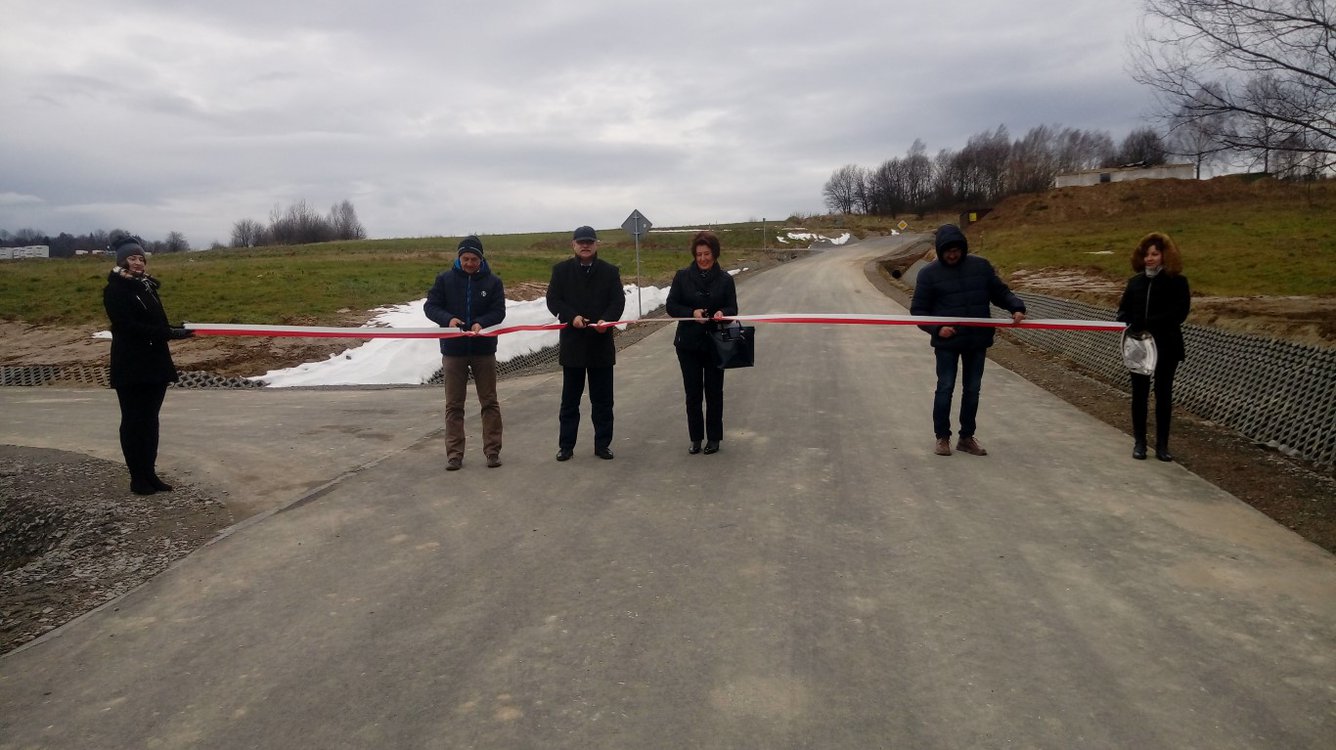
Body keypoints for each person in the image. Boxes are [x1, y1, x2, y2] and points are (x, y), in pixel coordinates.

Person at [910, 224, 1026, 457]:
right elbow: (919, 311)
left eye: (956, 250)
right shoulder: (928, 274)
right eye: (947, 251)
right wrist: (937, 329)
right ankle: (942, 437)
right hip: (947, 343)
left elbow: (1000, 293)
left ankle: (966, 438)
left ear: (963, 248)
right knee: (945, 388)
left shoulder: (980, 267)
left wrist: (1016, 307)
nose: (952, 255)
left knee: (972, 389)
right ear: (940, 251)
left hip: (976, 340)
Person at [102, 234, 193, 495]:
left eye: (141, 258)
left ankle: (150, 473)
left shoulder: (147, 287)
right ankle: (137, 477)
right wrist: (168, 333)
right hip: (131, 364)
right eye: (132, 258)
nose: (138, 262)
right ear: (122, 261)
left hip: (155, 363)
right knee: (134, 420)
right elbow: (127, 327)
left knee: (151, 420)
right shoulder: (115, 290)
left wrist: (177, 329)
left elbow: (156, 324)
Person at [424, 235, 507, 470]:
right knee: (454, 405)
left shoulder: (493, 282)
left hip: (483, 350)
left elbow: (499, 311)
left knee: (489, 402)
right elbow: (430, 306)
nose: (470, 263)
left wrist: (482, 322)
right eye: (466, 259)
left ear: (481, 259)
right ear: (459, 258)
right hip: (454, 351)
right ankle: (454, 455)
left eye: (474, 259)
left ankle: (492, 451)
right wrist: (447, 319)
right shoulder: (444, 280)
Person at [546, 225, 625, 461]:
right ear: (573, 245)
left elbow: (617, 302)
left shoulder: (610, 271)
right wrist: (572, 317)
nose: (585, 245)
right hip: (573, 346)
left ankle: (602, 445)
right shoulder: (561, 271)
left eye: (589, 241)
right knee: (570, 402)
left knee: (603, 401)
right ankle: (566, 446)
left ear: (596, 244)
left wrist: (606, 320)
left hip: (601, 345)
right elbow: (553, 300)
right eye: (581, 242)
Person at [1116, 231, 1191, 462]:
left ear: (1165, 255)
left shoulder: (1178, 282)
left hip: (1167, 345)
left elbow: (1180, 313)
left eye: (1155, 254)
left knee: (1163, 394)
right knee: (1139, 394)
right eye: (1146, 254)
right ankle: (1140, 442)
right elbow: (1123, 310)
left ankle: (1162, 446)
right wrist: (1128, 320)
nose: (1149, 258)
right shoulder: (1135, 282)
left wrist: (1150, 323)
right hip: (1139, 346)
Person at [665, 230, 738, 455]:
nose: (703, 258)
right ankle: (695, 438)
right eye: (699, 254)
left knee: (714, 392)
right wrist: (691, 312)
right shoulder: (682, 277)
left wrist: (722, 313)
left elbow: (733, 308)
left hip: (716, 343)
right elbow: (671, 306)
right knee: (693, 393)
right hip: (688, 345)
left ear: (714, 254)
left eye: (707, 254)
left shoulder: (725, 279)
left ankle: (714, 438)